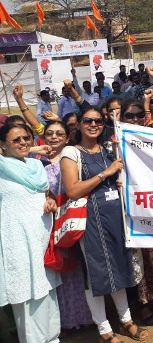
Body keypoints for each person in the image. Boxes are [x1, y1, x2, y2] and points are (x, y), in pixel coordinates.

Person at [61, 107, 148, 343]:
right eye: (88, 120)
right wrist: (106, 173)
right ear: (78, 124)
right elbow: (73, 190)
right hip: (90, 223)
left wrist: (119, 180)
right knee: (97, 276)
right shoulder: (71, 152)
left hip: (114, 220)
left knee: (119, 269)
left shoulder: (109, 150)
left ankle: (126, 320)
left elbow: (117, 178)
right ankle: (104, 331)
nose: (94, 124)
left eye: (98, 121)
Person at [0, 121, 76, 343]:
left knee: (48, 291)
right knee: (28, 298)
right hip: (18, 244)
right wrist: (33, 149)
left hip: (43, 240)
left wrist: (49, 200)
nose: (23, 142)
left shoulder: (35, 166)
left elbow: (43, 194)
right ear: (2, 145)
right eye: (16, 140)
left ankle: (51, 340)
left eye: (27, 138)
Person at [38, 121, 95, 331]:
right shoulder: (36, 163)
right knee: (60, 269)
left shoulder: (74, 158)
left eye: (59, 134)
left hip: (75, 218)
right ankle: (66, 321)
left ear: (67, 138)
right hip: (51, 222)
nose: (54, 137)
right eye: (49, 133)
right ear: (42, 136)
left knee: (79, 268)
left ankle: (87, 317)